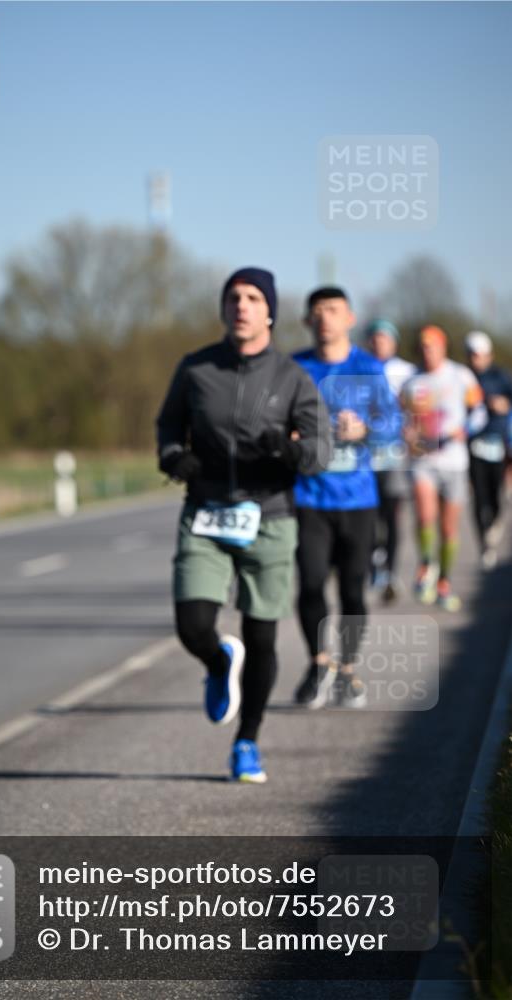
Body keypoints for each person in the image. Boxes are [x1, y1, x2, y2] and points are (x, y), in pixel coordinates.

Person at [156, 267, 328, 782]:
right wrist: (172, 457)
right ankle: (216, 661)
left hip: (269, 517)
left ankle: (247, 741)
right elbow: (168, 425)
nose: (242, 305)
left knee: (263, 636)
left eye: (253, 297)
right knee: (192, 626)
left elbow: (321, 450)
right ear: (223, 308)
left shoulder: (292, 377)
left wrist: (291, 450)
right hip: (206, 513)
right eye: (234, 297)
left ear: (270, 310)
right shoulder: (196, 369)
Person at [292, 288, 401, 710]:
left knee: (353, 591)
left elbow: (392, 423)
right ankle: (318, 664)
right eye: (316, 312)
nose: (325, 319)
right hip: (309, 497)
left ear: (350, 318)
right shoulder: (295, 368)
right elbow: (273, 420)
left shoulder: (369, 368)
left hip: (357, 498)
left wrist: (366, 431)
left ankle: (349, 669)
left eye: (333, 311)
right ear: (307, 321)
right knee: (312, 584)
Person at [400, 325, 486, 610]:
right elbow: (402, 418)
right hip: (423, 460)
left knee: (449, 529)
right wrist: (408, 433)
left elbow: (479, 412)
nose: (428, 352)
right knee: (425, 516)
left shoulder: (460, 375)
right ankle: (426, 565)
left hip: (454, 461)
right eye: (423, 347)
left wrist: (465, 430)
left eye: (433, 347)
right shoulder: (411, 381)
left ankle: (444, 583)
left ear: (443, 348)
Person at [365, 318, 416, 602]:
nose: (379, 343)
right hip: (365, 454)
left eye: (384, 338)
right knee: (369, 516)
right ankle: (375, 565)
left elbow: (420, 406)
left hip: (395, 453)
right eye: (375, 338)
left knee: (392, 515)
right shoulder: (359, 369)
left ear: (393, 342)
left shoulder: (407, 372)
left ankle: (391, 571)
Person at [464, 330, 512, 569]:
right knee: (478, 497)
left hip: (496, 443)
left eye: (480, 355)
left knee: (495, 496)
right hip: (473, 444)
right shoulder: (464, 377)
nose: (476, 360)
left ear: (489, 355)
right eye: (472, 355)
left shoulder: (501, 377)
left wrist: (503, 404)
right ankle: (483, 539)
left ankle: (494, 525)